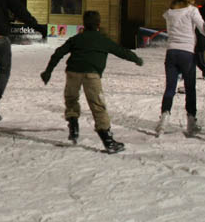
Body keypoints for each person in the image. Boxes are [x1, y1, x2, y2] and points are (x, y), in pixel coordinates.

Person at [40, 10, 143, 153]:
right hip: (91, 75)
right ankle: (108, 141)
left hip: (73, 72)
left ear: (84, 24)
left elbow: (58, 53)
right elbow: (121, 51)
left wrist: (48, 71)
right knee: (97, 105)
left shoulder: (77, 38)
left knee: (71, 99)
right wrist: (136, 59)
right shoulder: (103, 40)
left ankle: (73, 127)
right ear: (99, 24)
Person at [155, 0, 205, 135]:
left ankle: (163, 120)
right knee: (190, 87)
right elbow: (203, 28)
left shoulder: (170, 12)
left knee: (170, 88)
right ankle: (191, 122)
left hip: (171, 52)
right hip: (187, 53)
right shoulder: (192, 11)